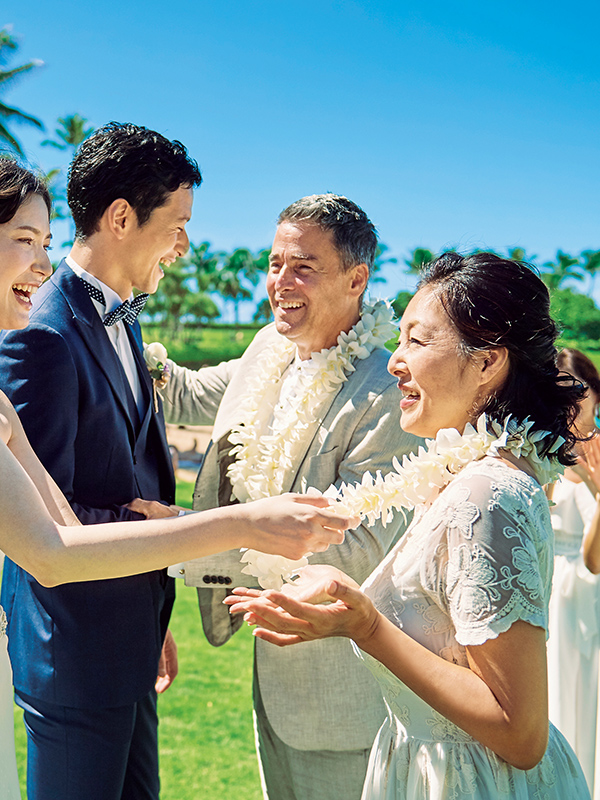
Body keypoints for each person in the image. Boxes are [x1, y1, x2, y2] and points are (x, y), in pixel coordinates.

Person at [0, 153, 354, 800]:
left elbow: (74, 538)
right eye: (23, 241)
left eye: (45, 242)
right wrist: (244, 524)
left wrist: (181, 561)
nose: (42, 264)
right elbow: (50, 556)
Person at [227, 251, 591, 799]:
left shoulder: (487, 492)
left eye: (417, 342)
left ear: (488, 362)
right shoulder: (466, 475)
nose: (395, 361)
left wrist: (367, 626)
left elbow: (520, 734)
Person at [161, 194, 419, 800]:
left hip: (345, 694)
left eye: (303, 266)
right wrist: (113, 338)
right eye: (275, 263)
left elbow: (358, 548)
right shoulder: (267, 349)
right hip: (274, 682)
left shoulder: (388, 392)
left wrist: (183, 540)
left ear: (357, 279)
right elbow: (191, 394)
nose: (281, 282)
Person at [0, 122, 200, 800]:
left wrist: (149, 622)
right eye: (176, 225)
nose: (184, 246)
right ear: (120, 217)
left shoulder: (124, 316)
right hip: (74, 653)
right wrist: (161, 525)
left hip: (128, 642)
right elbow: (33, 513)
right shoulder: (41, 336)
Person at [547, 347, 600, 792]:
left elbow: (594, 560)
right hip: (549, 591)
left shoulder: (594, 455)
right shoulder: (539, 453)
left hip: (585, 591)